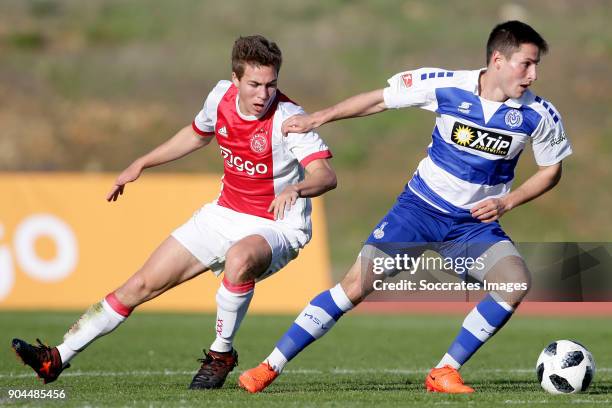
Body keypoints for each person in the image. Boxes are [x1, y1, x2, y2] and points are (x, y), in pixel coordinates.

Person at [238, 21, 572, 394]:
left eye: (536, 65)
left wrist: (508, 201)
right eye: (526, 64)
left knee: (514, 283)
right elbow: (380, 99)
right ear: (498, 59)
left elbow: (551, 169)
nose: (533, 74)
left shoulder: (539, 114)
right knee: (353, 287)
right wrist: (318, 117)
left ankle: (444, 371)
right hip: (418, 212)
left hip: (472, 227)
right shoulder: (445, 84)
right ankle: (269, 365)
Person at [12, 35, 337, 390]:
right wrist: (141, 163)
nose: (263, 94)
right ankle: (56, 358)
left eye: (271, 85)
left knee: (240, 256)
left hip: (277, 224)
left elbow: (325, 175)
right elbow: (197, 135)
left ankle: (221, 354)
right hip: (223, 214)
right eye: (254, 84)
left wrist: (297, 188)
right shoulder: (219, 99)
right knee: (138, 286)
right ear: (235, 79)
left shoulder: (289, 118)